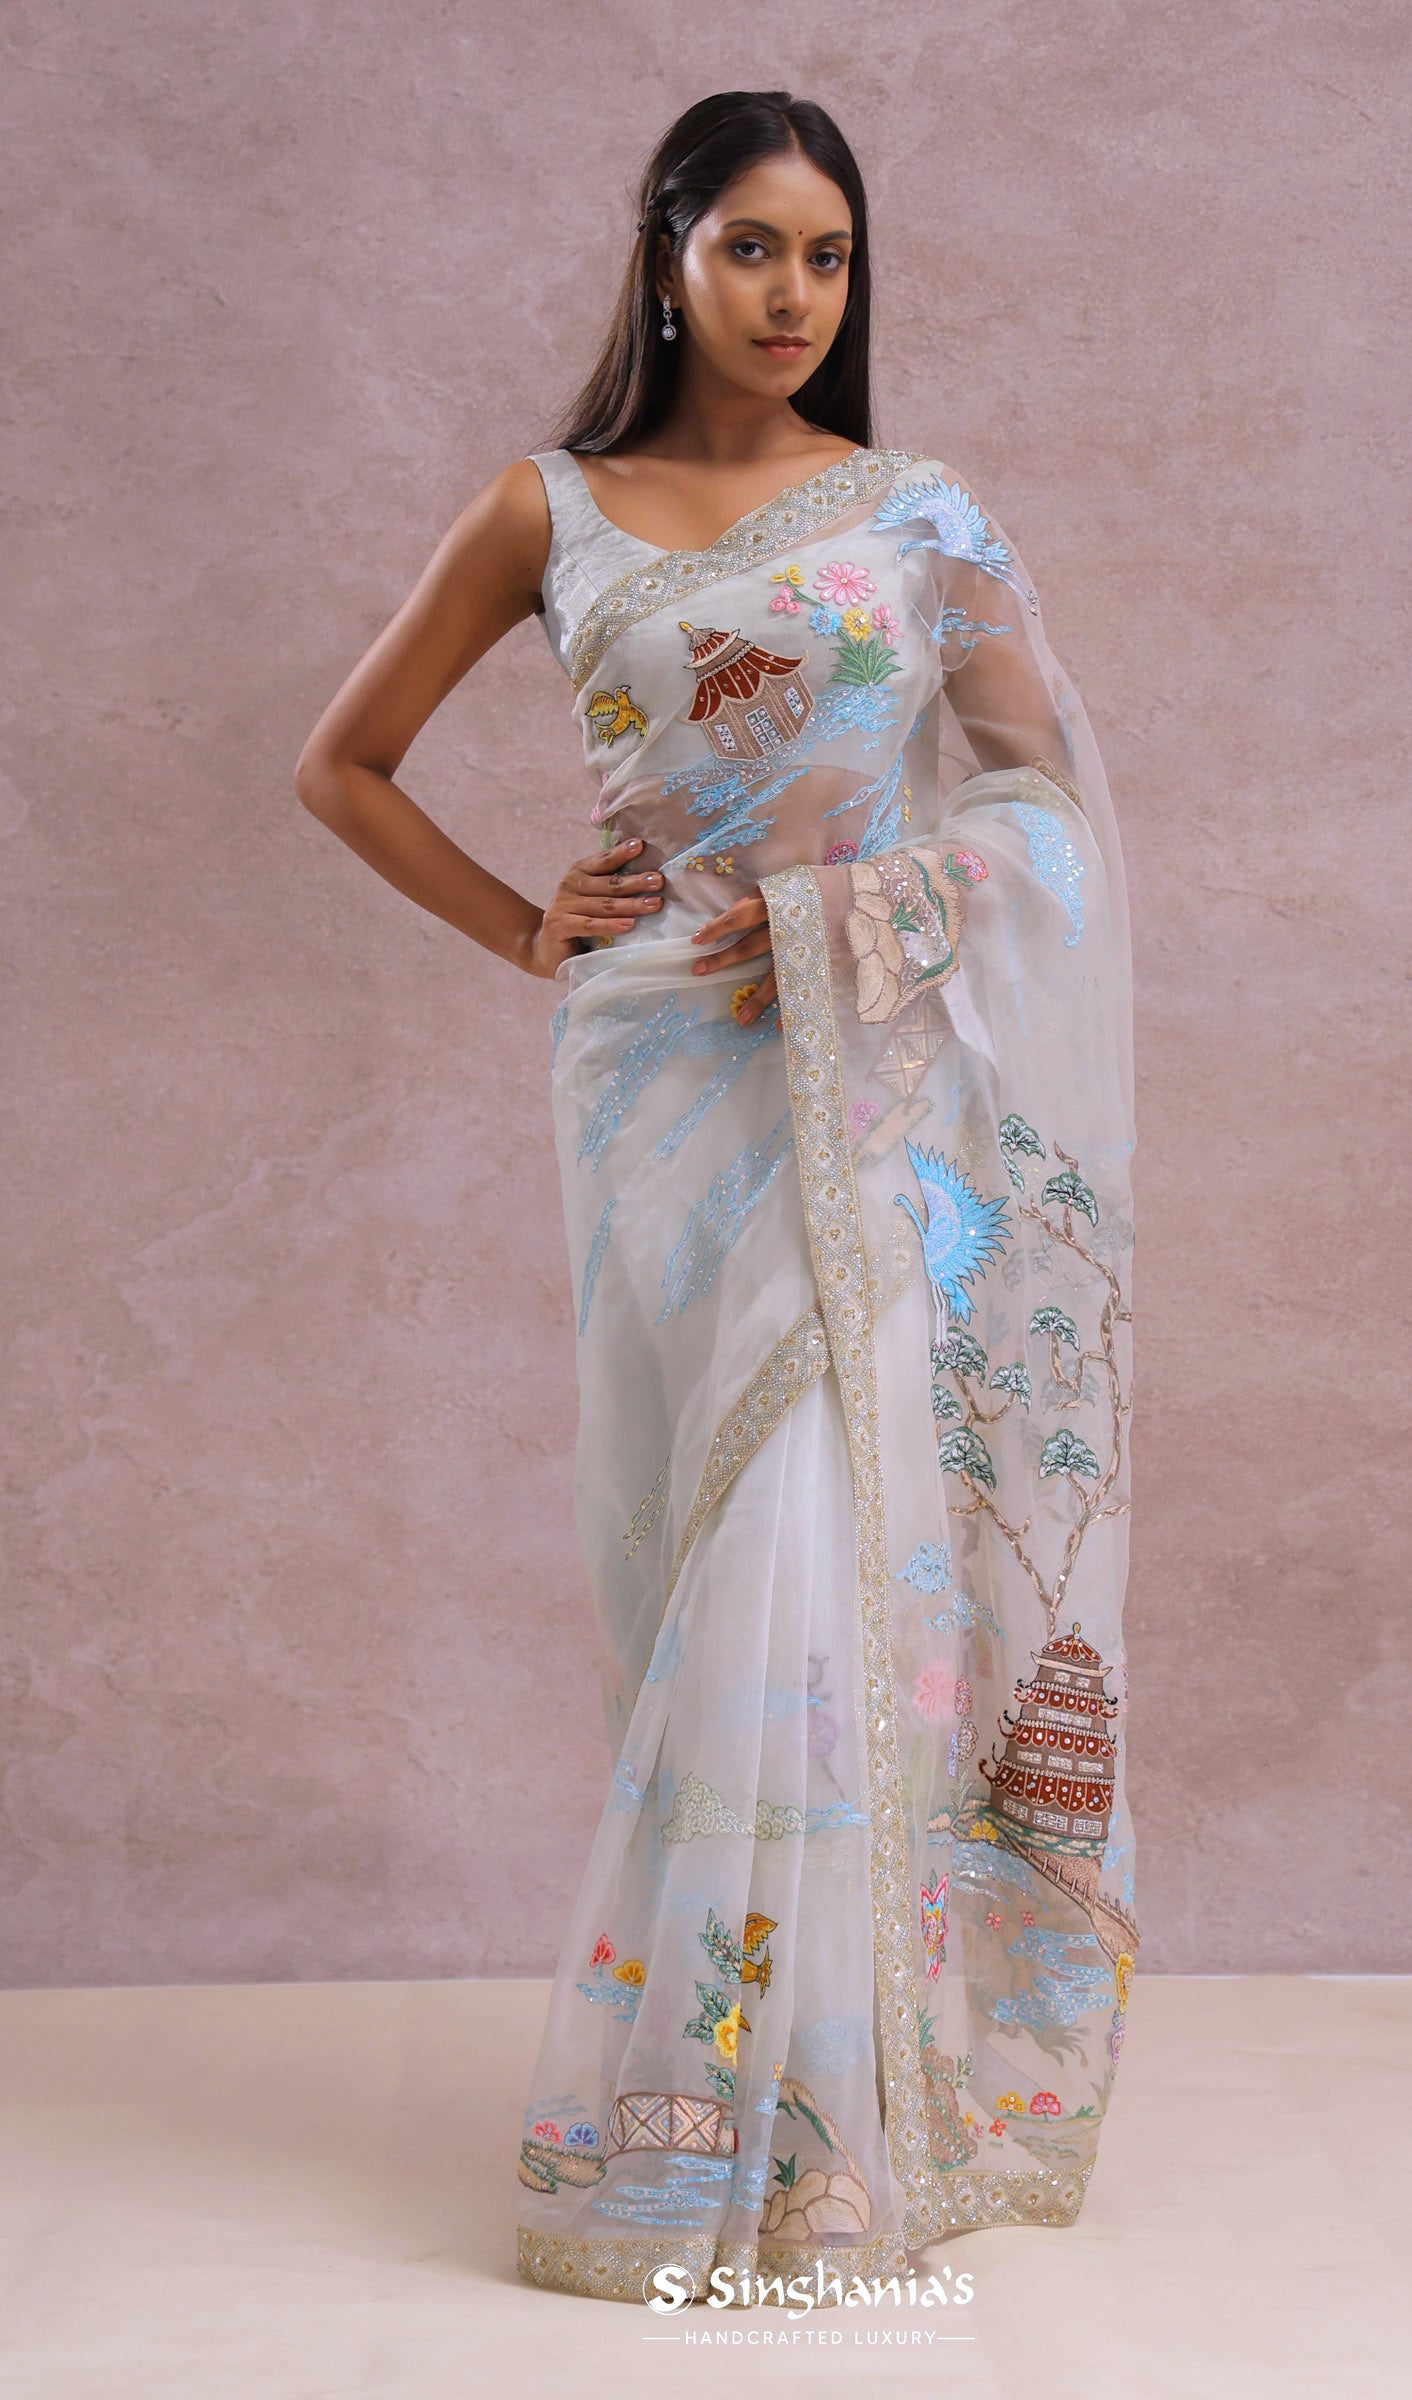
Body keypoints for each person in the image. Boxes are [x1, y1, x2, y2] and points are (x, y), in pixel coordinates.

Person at [295, 87, 1139, 2312]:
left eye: (827, 255)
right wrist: (524, 924)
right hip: (656, 1073)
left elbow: (1049, 805)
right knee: (691, 1546)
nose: (792, 295)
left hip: (863, 1087)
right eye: (751, 246)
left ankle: (832, 2130)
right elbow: (339, 763)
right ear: (665, 253)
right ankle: (703, 2095)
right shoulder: (547, 509)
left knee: (820, 1531)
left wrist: (881, 909)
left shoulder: (917, 515)